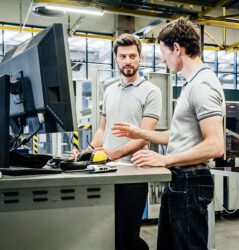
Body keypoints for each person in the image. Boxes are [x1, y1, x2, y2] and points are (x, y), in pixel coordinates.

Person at [112, 17, 225, 250]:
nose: (163, 60)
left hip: (190, 182)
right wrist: (141, 133)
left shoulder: (202, 85)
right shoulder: (191, 84)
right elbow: (179, 136)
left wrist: (165, 159)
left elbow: (215, 145)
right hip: (180, 181)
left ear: (177, 48)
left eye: (164, 53)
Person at [85, 34, 162, 250]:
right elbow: (102, 129)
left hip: (133, 173)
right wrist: (86, 151)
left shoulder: (152, 92)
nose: (127, 60)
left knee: (128, 236)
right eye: (122, 56)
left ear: (140, 58)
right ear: (115, 58)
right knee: (109, 234)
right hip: (106, 172)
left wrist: (112, 154)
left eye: (132, 56)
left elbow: (144, 135)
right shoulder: (109, 90)